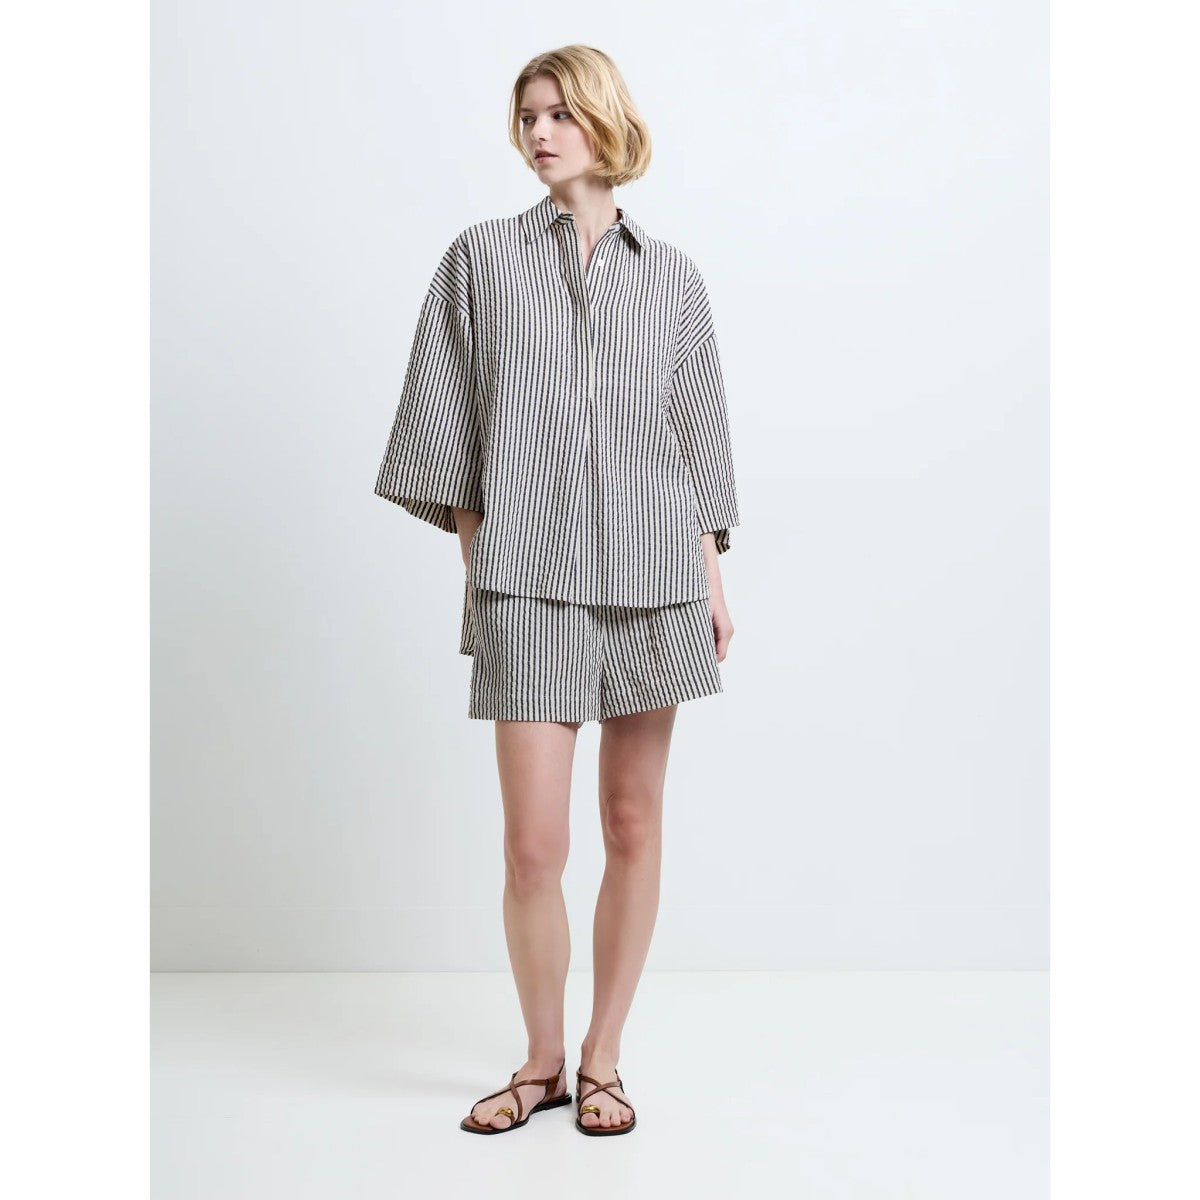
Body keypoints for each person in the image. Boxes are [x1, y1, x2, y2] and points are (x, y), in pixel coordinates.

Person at [374, 44, 741, 1137]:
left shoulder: (672, 278)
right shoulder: (480, 260)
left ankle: (603, 1059)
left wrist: (712, 580)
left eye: (559, 113)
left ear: (604, 121)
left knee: (632, 824)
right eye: (528, 115)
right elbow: (447, 423)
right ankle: (539, 1060)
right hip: (526, 585)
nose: (539, 133)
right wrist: (481, 561)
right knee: (534, 848)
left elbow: (695, 439)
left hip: (654, 580)